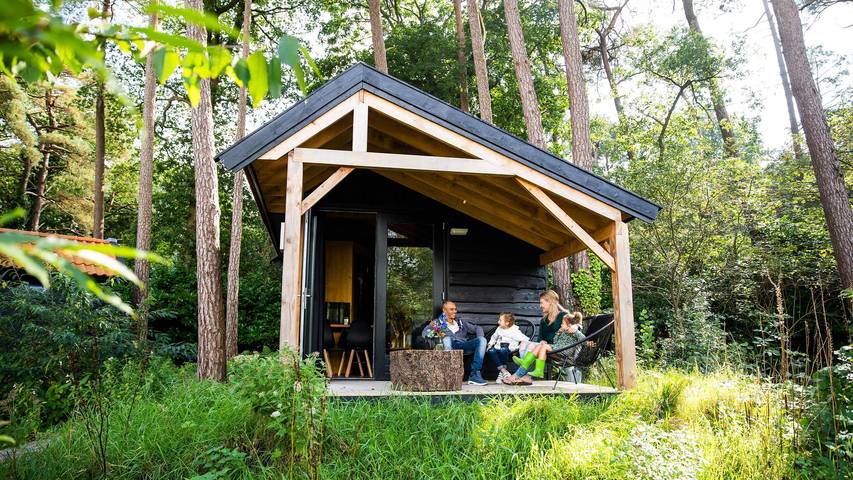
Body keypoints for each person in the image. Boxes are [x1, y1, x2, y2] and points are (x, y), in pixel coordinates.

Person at [503, 290, 570, 385]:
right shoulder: (543, 320)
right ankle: (526, 375)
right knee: (524, 343)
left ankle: (519, 375)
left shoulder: (563, 316)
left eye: (541, 302)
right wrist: (542, 341)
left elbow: (575, 328)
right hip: (544, 347)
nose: (540, 305)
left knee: (531, 346)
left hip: (558, 348)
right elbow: (540, 339)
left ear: (550, 302)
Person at [422, 300, 488, 385]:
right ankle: (449, 374)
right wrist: (435, 337)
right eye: (451, 309)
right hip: (448, 347)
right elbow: (425, 333)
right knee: (447, 339)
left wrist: (480, 336)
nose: (455, 311)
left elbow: (478, 328)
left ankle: (474, 375)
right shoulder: (437, 323)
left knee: (482, 340)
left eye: (455, 309)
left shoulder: (460, 322)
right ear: (444, 310)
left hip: (463, 345)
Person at [485, 312, 529, 384]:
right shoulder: (499, 329)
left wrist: (518, 347)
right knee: (491, 351)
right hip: (498, 347)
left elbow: (525, 339)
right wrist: (490, 345)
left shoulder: (514, 331)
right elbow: (493, 337)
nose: (498, 322)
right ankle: (503, 371)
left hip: (509, 349)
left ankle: (501, 373)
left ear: (507, 323)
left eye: (500, 320)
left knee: (503, 349)